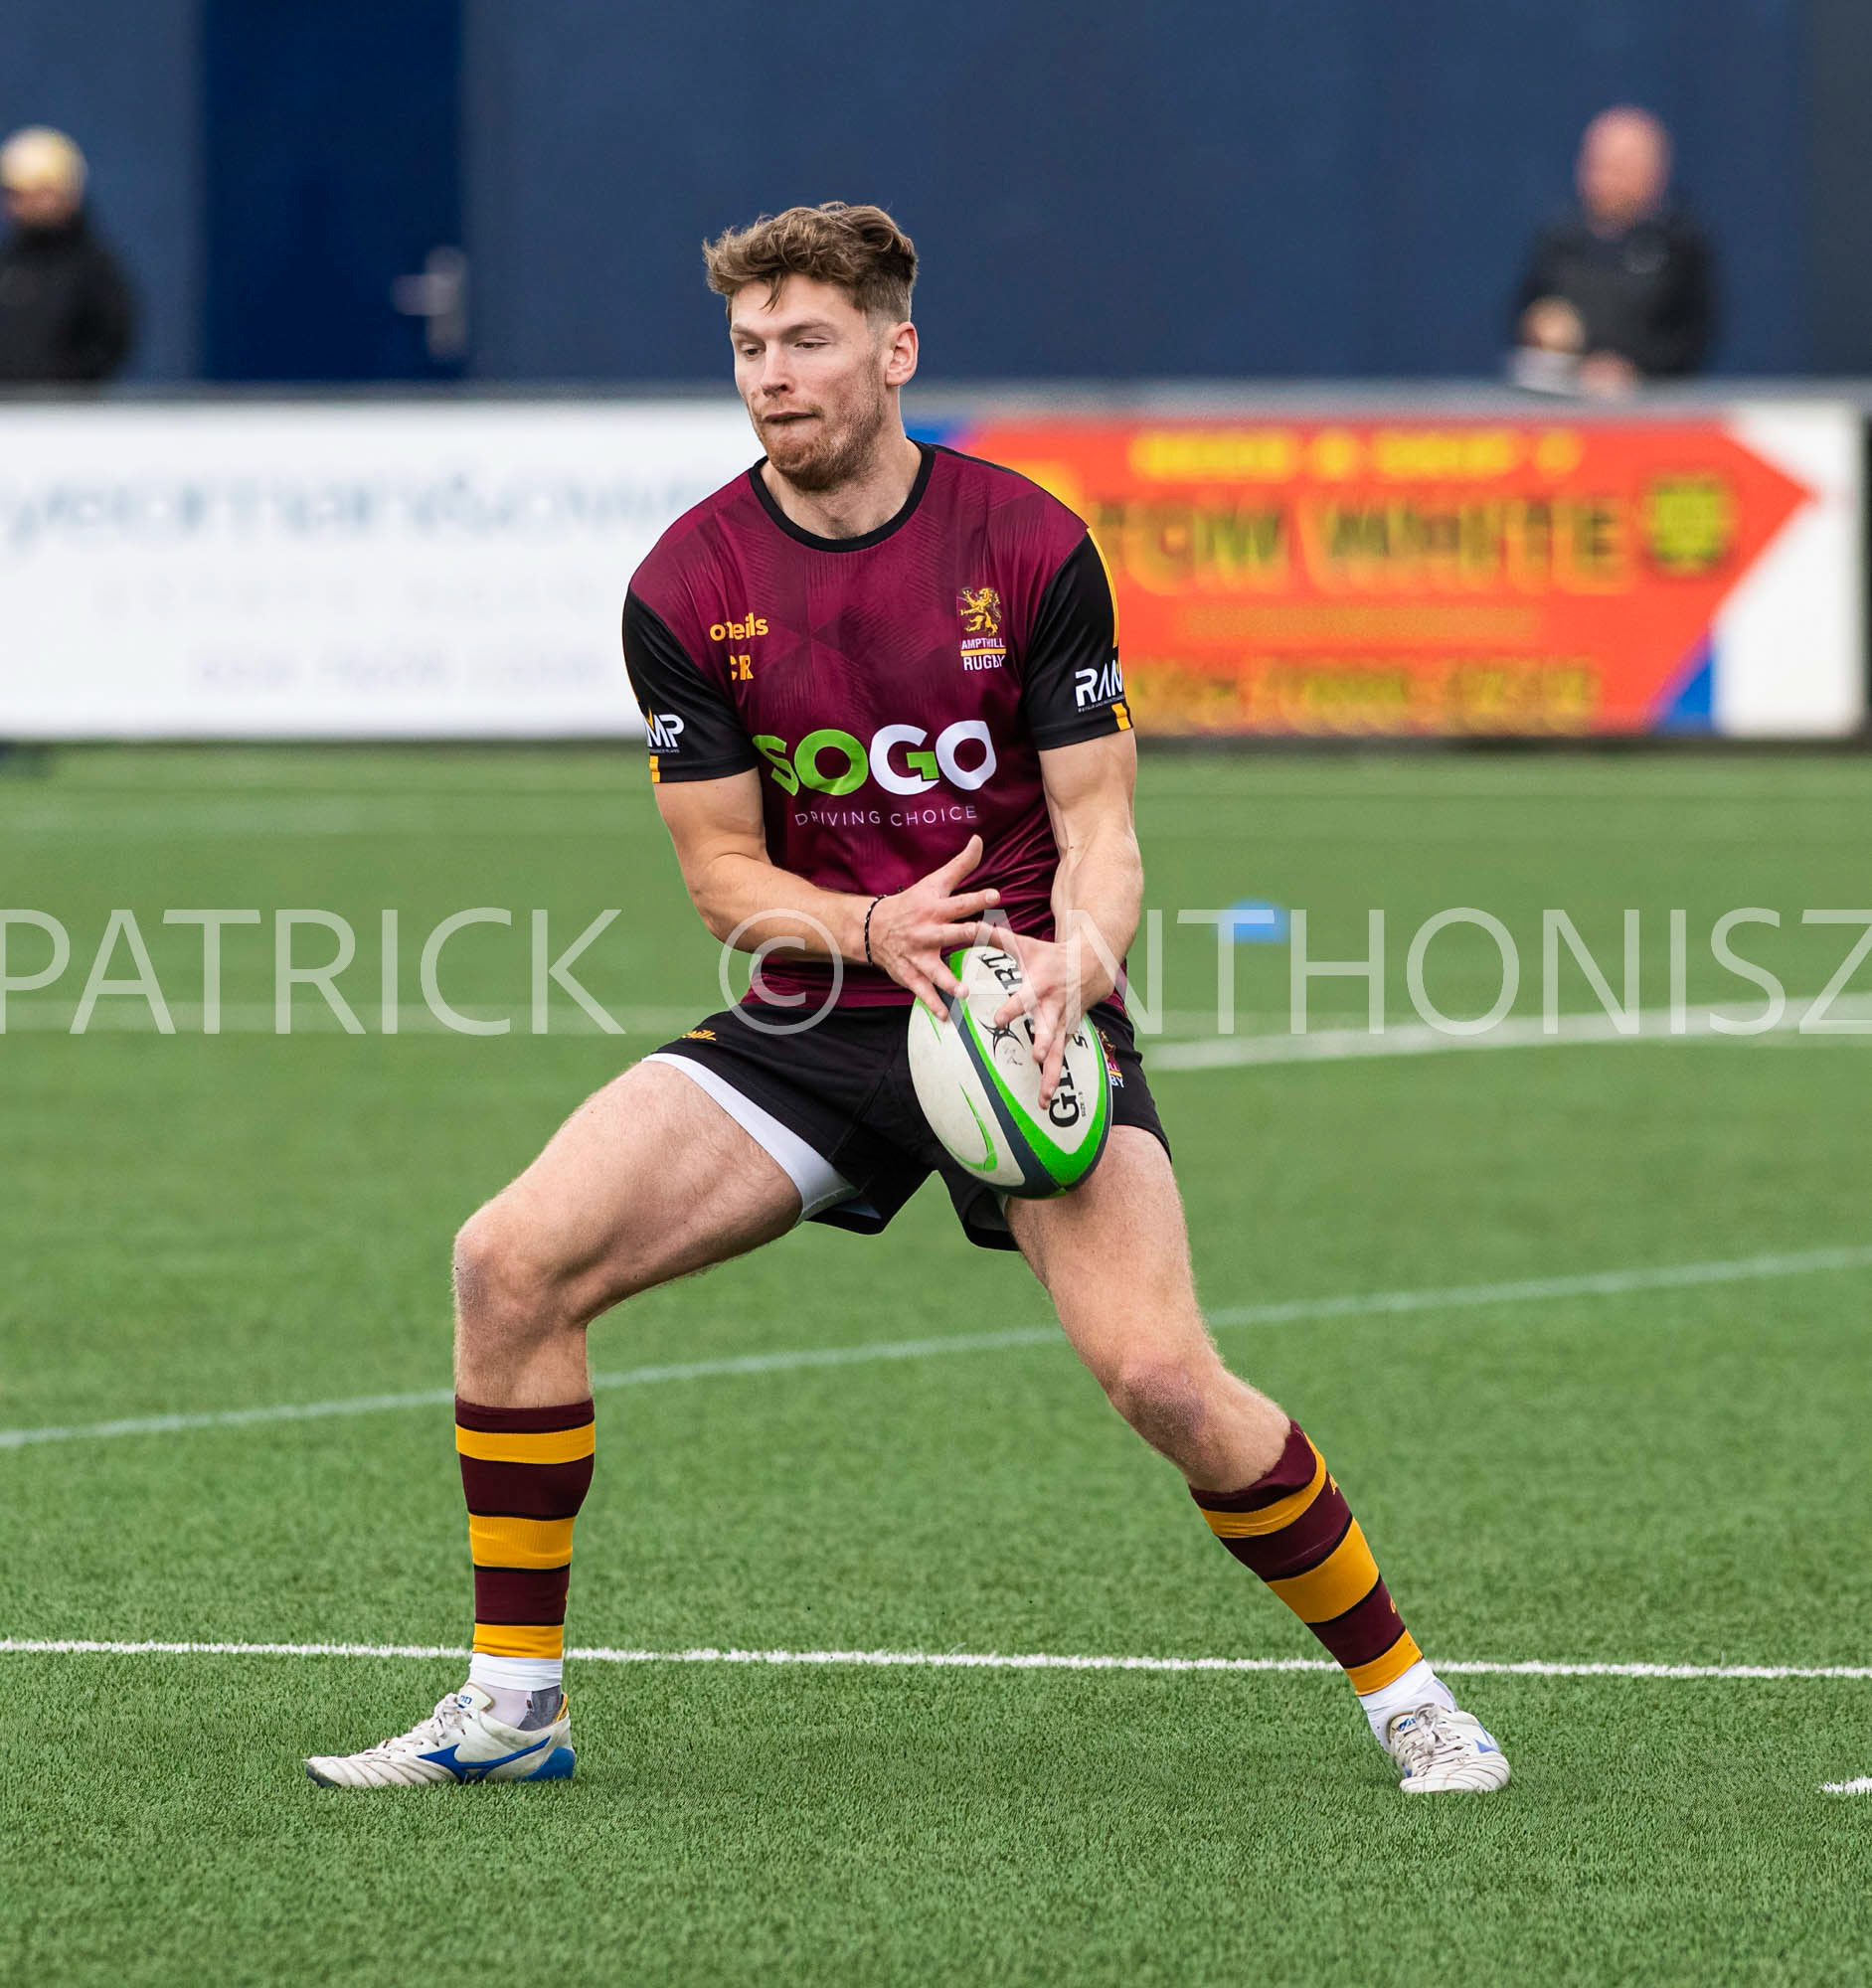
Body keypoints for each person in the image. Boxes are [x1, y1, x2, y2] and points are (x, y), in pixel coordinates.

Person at [305, 201, 1510, 1795]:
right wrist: (868, 929)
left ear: (894, 351)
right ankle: (512, 1709)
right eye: (748, 346)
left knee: (1160, 1375)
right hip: (821, 1010)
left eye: (806, 341)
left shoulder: (1025, 544)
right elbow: (721, 876)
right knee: (508, 1263)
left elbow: (1098, 829)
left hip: (1015, 1010)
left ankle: (1408, 1694)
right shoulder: (687, 582)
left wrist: (1077, 965)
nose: (770, 375)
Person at [1511, 106, 1713, 396]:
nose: (1603, 178)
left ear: (1654, 172)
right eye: (1596, 164)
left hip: (1653, 407)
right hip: (1561, 401)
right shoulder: (1559, 238)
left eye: (1619, 167)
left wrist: (1634, 369)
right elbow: (1524, 316)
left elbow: (1690, 336)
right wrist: (1542, 333)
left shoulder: (1679, 243)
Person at [0, 126, 135, 385]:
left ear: (66, 194)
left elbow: (110, 340)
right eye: (16, 194)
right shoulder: (6, 262)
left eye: (39, 192)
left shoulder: (94, 268)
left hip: (65, 408)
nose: (26, 204)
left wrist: (65, 387)